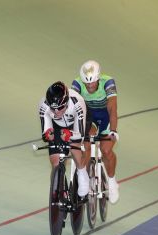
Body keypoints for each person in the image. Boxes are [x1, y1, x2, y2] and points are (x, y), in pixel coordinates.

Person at [71, 60, 120, 204]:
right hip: (89, 117)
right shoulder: (77, 83)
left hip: (105, 116)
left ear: (98, 78)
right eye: (87, 84)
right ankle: (84, 177)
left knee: (106, 150)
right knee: (85, 143)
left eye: (92, 83)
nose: (90, 86)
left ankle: (112, 182)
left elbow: (112, 109)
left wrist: (113, 130)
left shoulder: (108, 82)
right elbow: (73, 107)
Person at [38, 81, 89, 197]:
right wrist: (47, 135)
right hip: (58, 125)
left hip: (77, 123)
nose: (56, 112)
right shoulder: (44, 106)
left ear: (66, 102)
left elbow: (80, 134)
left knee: (74, 146)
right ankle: (58, 191)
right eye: (53, 109)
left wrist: (69, 134)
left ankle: (82, 173)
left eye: (60, 108)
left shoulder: (77, 103)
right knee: (55, 161)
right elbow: (46, 132)